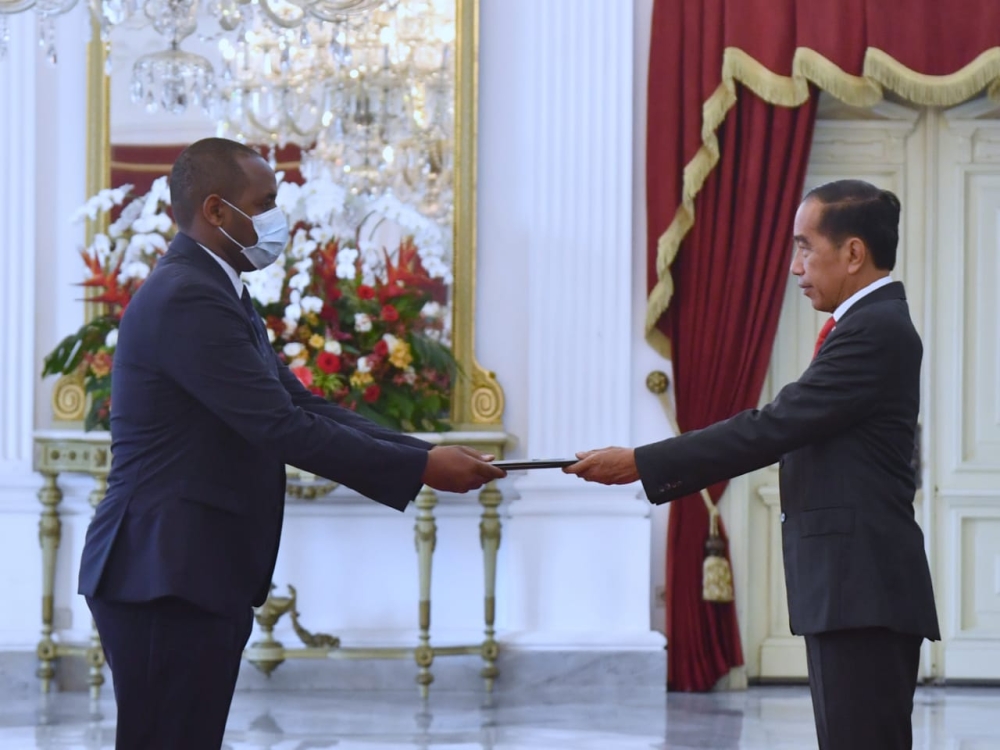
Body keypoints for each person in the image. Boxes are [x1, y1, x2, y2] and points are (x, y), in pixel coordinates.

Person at [78, 137, 506, 750]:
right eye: (266, 203)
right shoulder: (188, 295)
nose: (279, 219)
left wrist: (422, 453)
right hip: (162, 571)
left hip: (190, 569)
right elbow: (279, 427)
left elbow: (301, 405)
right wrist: (421, 467)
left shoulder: (218, 288)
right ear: (217, 210)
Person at [565, 179, 939, 750]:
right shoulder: (866, 324)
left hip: (862, 590)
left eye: (805, 247)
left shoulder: (876, 329)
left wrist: (642, 462)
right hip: (852, 589)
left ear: (853, 253)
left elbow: (774, 426)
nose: (795, 267)